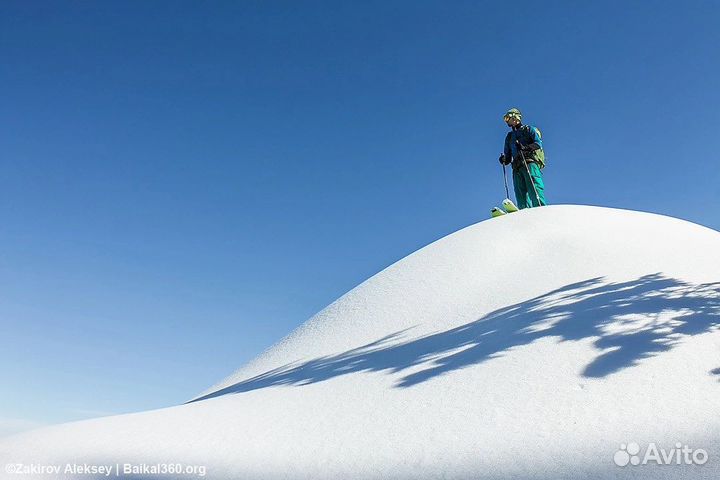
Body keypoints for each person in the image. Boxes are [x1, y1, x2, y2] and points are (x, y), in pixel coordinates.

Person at [499, 108, 547, 209]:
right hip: (517, 167)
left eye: (508, 118)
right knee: (520, 192)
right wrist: (504, 159)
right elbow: (508, 158)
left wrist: (525, 148)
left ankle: (540, 207)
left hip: (529, 163)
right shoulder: (509, 136)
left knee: (534, 187)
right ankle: (524, 211)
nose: (507, 120)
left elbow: (537, 144)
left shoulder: (528, 129)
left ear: (516, 117)